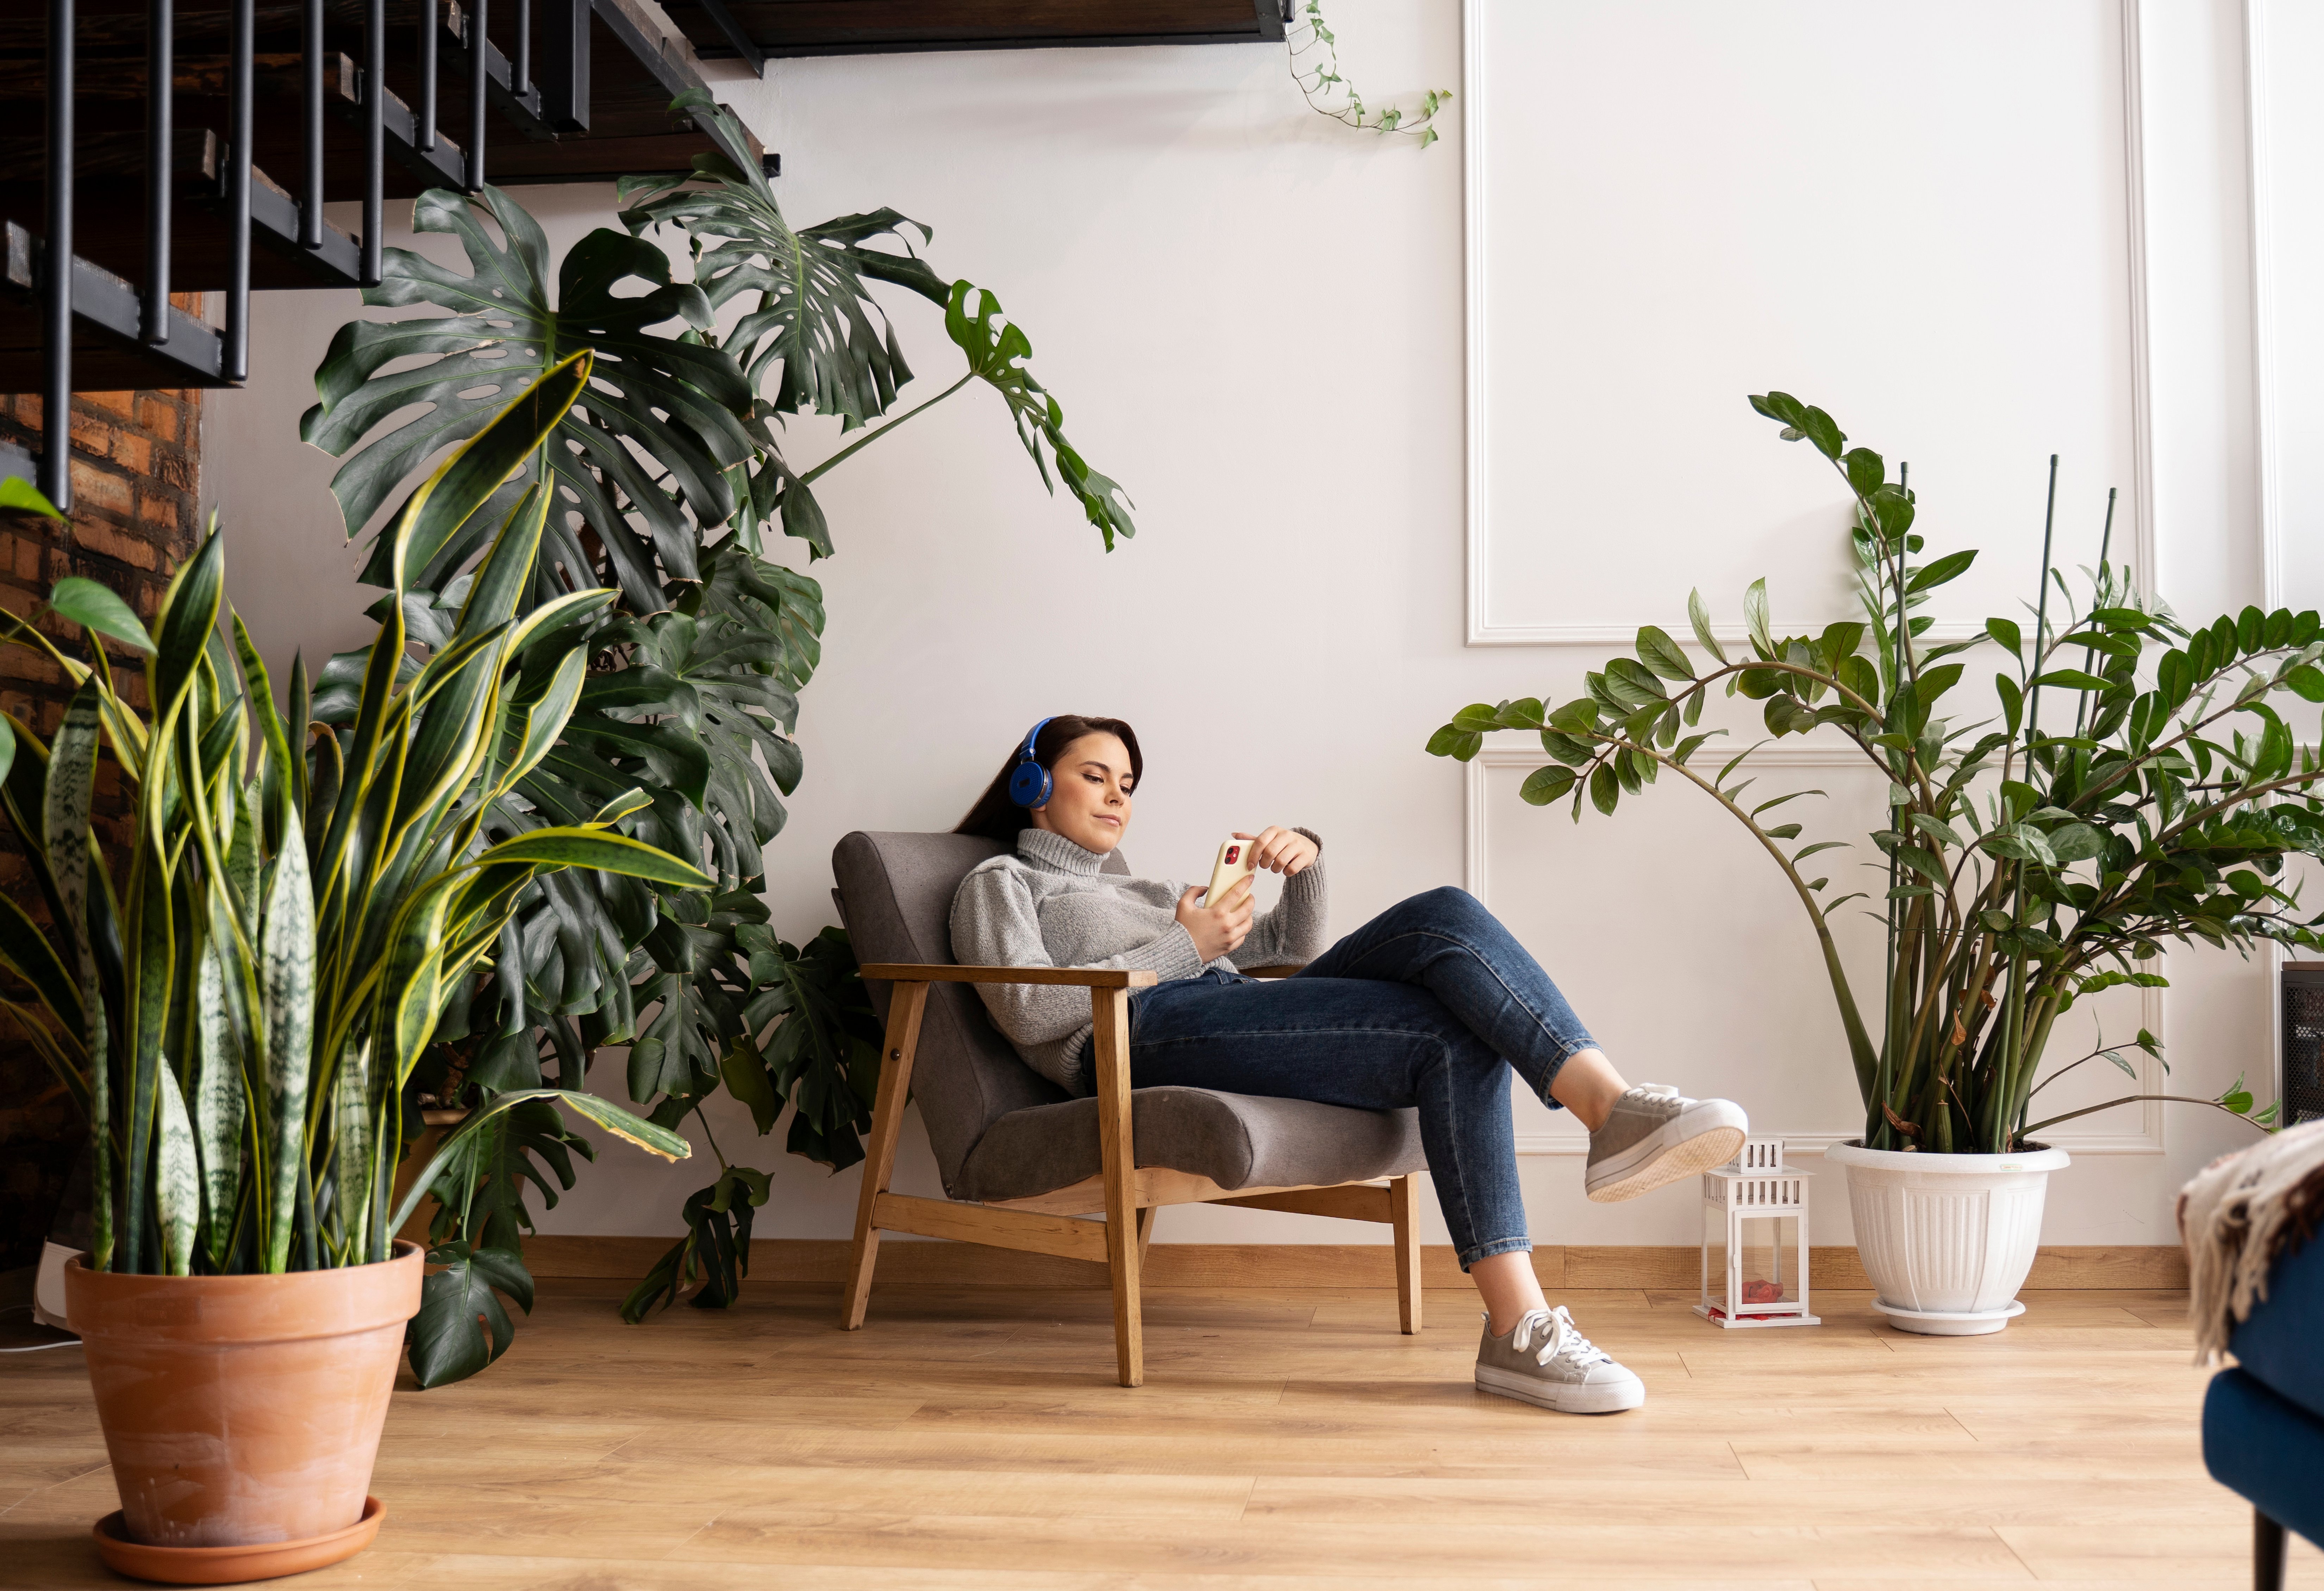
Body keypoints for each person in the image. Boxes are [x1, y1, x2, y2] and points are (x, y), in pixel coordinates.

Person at [948, 715, 1751, 1415]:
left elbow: (1290, 954)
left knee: (1446, 919)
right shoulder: (1001, 882)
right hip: (1135, 1041)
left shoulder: (1156, 886)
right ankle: (1536, 1287)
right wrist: (1183, 947)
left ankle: (1587, 1159)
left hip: (1218, 1011)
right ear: (1033, 783)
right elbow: (1027, 1007)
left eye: (1128, 782)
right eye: (1096, 775)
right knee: (1450, 1019)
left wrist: (1304, 868)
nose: (1119, 795)